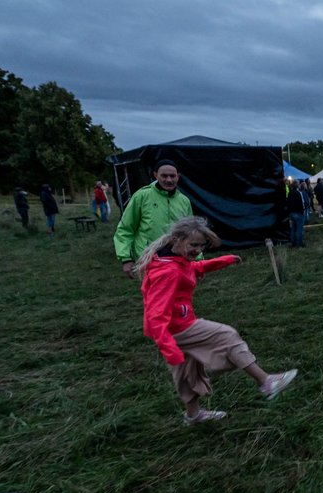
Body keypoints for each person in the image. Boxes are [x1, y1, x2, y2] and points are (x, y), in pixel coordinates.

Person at [136, 216, 298, 424]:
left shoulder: (172, 258)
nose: (197, 250)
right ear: (177, 239)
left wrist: (223, 260)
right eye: (194, 244)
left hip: (173, 328)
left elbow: (191, 268)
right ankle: (266, 382)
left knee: (187, 372)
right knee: (227, 335)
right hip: (177, 328)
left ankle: (193, 415)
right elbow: (156, 315)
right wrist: (170, 349)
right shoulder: (168, 272)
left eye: (201, 246)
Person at [114, 159, 193, 279]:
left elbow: (191, 233)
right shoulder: (142, 196)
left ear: (178, 176)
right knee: (155, 296)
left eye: (172, 176)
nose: (169, 180)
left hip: (177, 260)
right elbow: (125, 229)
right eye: (164, 176)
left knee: (177, 295)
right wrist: (126, 259)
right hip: (149, 260)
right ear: (156, 175)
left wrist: (197, 259)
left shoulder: (184, 201)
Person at [286, 179, 308, 248]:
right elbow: (301, 204)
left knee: (293, 229)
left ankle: (293, 243)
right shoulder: (298, 193)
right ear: (297, 185)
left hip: (291, 213)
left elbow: (288, 203)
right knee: (299, 229)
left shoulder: (290, 193)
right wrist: (302, 211)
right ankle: (299, 244)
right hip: (298, 213)